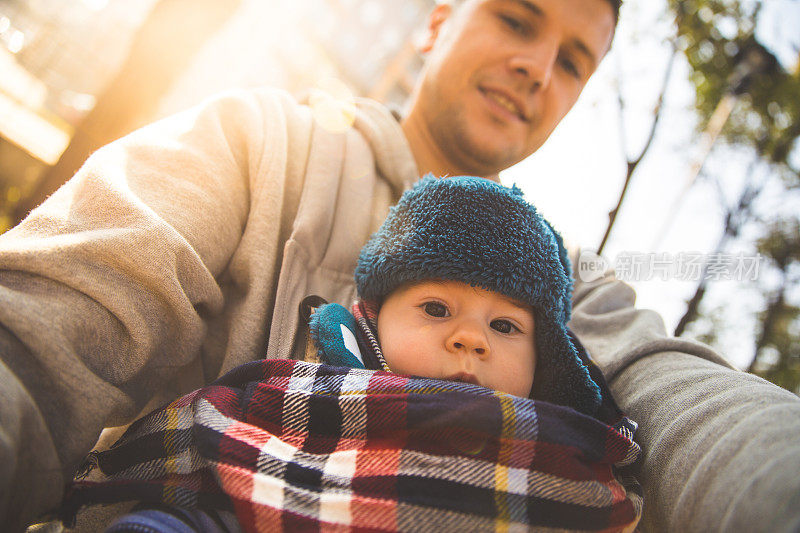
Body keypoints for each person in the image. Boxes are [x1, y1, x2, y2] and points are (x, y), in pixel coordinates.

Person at [0, 0, 798, 531]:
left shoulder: (566, 282)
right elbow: (44, 338)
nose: (537, 67)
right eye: (518, 19)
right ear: (438, 21)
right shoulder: (260, 145)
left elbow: (679, 396)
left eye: (573, 63)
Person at [70, 175, 643, 532]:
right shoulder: (310, 401)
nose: (472, 339)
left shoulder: (560, 453)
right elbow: (214, 458)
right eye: (437, 310)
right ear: (369, 323)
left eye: (504, 325)